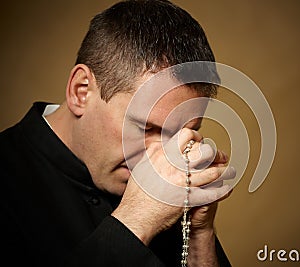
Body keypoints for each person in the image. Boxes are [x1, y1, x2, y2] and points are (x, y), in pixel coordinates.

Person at [0, 0, 235, 266]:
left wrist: (199, 235)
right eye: (146, 127)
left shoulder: (173, 182)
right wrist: (136, 219)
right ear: (81, 91)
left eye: (183, 133)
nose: (161, 158)